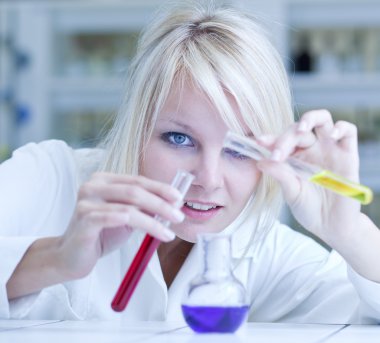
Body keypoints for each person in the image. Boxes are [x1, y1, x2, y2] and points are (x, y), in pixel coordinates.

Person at [1, 1, 379, 322]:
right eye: (179, 139)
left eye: (239, 149)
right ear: (137, 126)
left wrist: (350, 233)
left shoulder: (266, 252)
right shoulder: (48, 177)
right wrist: (56, 258)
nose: (208, 179)